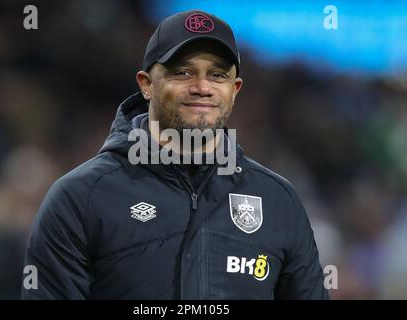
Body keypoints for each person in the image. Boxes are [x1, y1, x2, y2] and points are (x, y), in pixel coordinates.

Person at [21, 9, 328, 300]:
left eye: (218, 75)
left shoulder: (278, 201)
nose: (202, 87)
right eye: (183, 72)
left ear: (235, 89)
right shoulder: (80, 198)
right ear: (146, 85)